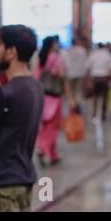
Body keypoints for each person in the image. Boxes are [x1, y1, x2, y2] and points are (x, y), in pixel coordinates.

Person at [0, 25, 44, 212]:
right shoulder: (35, 87)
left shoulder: (5, 94)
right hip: (23, 178)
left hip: (2, 184)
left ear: (11, 52)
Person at [35, 36, 74, 167]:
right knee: (54, 126)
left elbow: (36, 77)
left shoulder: (40, 58)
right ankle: (42, 148)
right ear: (52, 45)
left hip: (43, 96)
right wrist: (69, 98)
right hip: (55, 97)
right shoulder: (57, 59)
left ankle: (53, 155)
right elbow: (63, 79)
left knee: (45, 125)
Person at [86, 43, 111, 121]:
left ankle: (94, 114)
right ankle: (103, 115)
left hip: (95, 77)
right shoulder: (108, 55)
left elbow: (88, 68)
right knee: (105, 97)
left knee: (95, 96)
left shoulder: (93, 55)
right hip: (105, 77)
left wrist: (89, 81)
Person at [64, 37, 88, 109]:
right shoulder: (82, 50)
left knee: (71, 91)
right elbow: (85, 62)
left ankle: (72, 105)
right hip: (80, 73)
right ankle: (78, 104)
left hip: (70, 73)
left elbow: (66, 63)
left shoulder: (67, 51)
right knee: (78, 90)